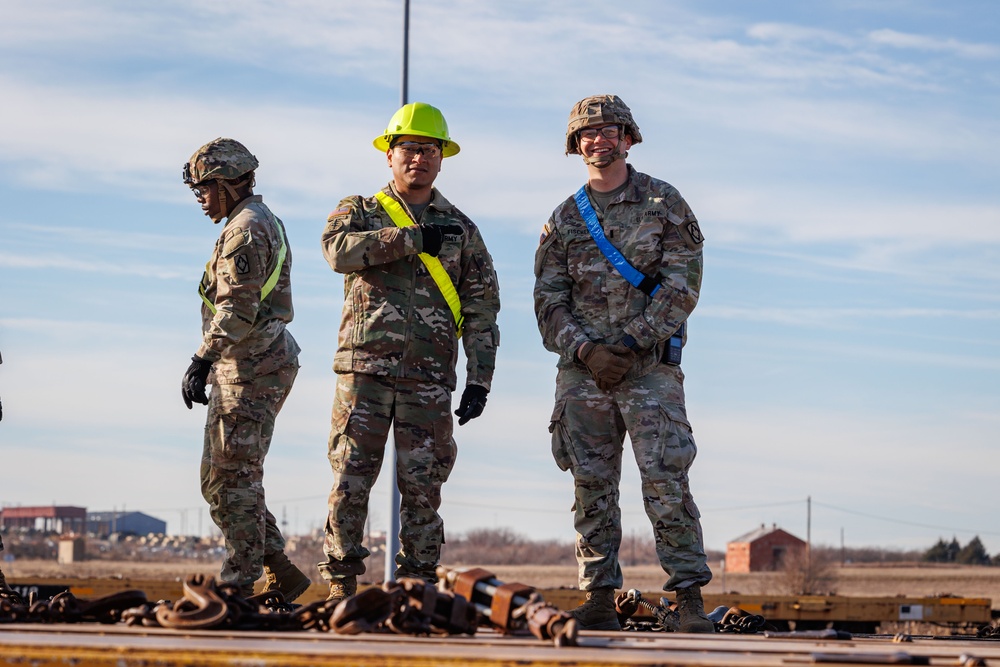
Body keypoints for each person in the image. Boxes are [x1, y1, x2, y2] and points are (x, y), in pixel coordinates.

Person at [533, 95, 714, 632]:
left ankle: (687, 600)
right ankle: (598, 597)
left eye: (607, 130)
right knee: (590, 487)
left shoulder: (665, 203)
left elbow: (683, 287)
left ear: (628, 137)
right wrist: (588, 352)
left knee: (666, 481)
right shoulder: (564, 218)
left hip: (649, 371)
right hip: (582, 374)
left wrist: (630, 345)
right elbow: (547, 301)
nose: (597, 140)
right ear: (575, 145)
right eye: (586, 134)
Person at [318, 102, 501, 603]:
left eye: (429, 150)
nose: (418, 158)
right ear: (389, 155)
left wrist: (480, 379)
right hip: (364, 371)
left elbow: (482, 309)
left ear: (442, 159)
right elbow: (338, 252)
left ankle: (418, 586)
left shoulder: (463, 230)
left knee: (424, 485)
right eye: (409, 149)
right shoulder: (359, 211)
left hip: (428, 378)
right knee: (351, 477)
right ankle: (341, 587)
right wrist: (412, 239)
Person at [180, 138, 310, 602]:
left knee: (231, 477)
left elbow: (236, 309)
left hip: (250, 367)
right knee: (225, 476)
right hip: (248, 365)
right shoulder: (250, 222)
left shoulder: (246, 230)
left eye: (204, 189)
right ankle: (279, 568)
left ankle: (240, 580)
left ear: (229, 184)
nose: (200, 199)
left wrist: (201, 359)